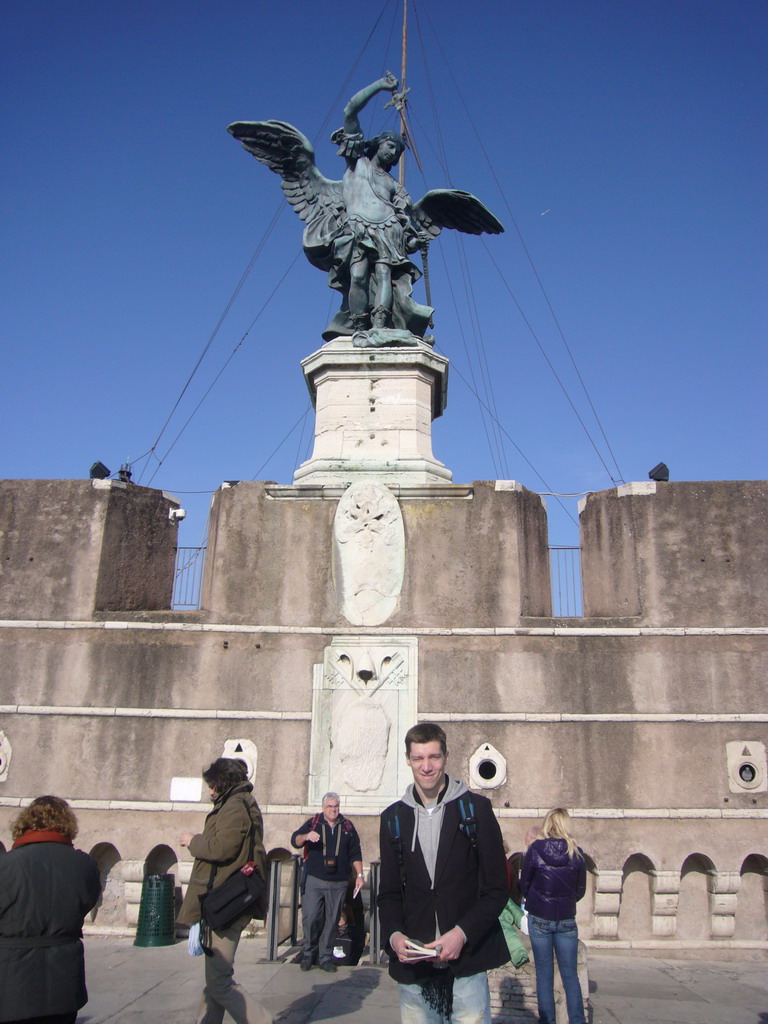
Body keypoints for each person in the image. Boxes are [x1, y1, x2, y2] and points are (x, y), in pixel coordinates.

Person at [378, 723, 509, 1024]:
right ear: (408, 759)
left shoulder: (476, 810)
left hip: (467, 962)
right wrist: (395, 936)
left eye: (434, 757)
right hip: (415, 965)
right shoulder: (392, 819)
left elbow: (496, 889)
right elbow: (388, 892)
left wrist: (462, 934)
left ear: (446, 757)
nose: (426, 767)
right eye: (419, 758)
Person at [178, 758, 272, 1024]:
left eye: (212, 786)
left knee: (219, 981)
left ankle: (262, 1020)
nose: (210, 792)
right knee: (215, 978)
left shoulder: (234, 806)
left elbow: (223, 848)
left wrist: (193, 841)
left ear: (223, 783)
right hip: (225, 899)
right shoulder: (237, 802)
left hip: (227, 902)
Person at [0, 795, 101, 1024]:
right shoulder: (84, 864)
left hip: (12, 983)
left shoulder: (6, 865)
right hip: (64, 981)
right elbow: (86, 902)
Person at [519, 808, 587, 1024]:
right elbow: (580, 890)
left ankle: (547, 1020)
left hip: (539, 918)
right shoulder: (576, 853)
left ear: (547, 824)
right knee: (570, 976)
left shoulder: (535, 849)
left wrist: (537, 900)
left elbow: (524, 884)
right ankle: (577, 1020)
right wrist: (565, 901)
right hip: (566, 920)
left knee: (544, 975)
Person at [290, 792, 363, 973]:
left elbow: (355, 852)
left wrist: (360, 875)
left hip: (338, 882)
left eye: (336, 806)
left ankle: (325, 957)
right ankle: (308, 953)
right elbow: (295, 840)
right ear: (323, 808)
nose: (333, 810)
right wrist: (307, 836)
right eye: (330, 806)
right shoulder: (314, 823)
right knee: (311, 917)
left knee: (332, 921)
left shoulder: (347, 826)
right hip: (315, 879)